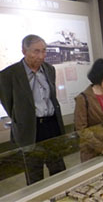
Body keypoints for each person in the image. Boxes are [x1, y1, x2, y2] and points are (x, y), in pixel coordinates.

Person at [0, 34, 67, 184]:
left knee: (58, 168)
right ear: (24, 51)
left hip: (51, 125)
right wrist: (23, 117)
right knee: (34, 173)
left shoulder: (49, 69)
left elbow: (51, 96)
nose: (41, 55)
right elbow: (8, 103)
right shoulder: (8, 75)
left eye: (44, 51)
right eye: (36, 51)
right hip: (30, 128)